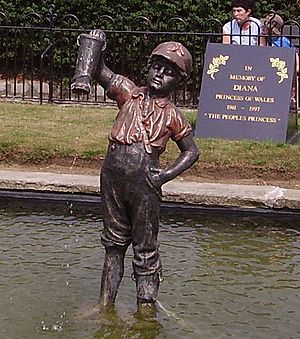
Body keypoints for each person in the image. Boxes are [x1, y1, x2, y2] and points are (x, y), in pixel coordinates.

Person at [71, 30, 199, 313]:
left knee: (145, 247)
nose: (159, 74)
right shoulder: (129, 94)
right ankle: (105, 304)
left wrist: (164, 175)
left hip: (145, 183)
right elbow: (101, 71)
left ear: (179, 81)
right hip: (113, 178)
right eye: (156, 66)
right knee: (113, 245)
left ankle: (146, 307)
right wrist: (98, 46)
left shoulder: (173, 115)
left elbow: (192, 151)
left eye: (168, 72)